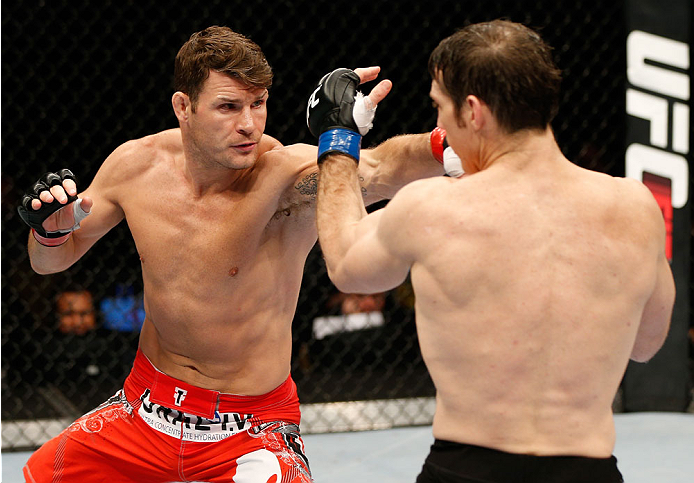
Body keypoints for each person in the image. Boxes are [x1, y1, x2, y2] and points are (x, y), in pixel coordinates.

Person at [17, 26, 446, 482]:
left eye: (258, 104)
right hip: (142, 408)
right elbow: (50, 261)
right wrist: (49, 233)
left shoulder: (282, 179)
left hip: (250, 427)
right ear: (184, 107)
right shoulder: (135, 166)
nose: (249, 124)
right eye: (228, 106)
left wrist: (451, 143)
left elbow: (382, 168)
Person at [309, 20, 675, 483]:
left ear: (474, 111)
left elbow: (344, 263)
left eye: (440, 108)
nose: (438, 126)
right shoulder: (636, 208)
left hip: (467, 468)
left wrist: (337, 139)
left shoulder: (433, 207)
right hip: (590, 470)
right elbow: (647, 345)